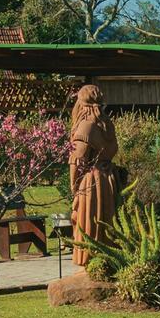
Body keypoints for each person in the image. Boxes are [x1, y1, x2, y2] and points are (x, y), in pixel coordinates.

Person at [68, 85, 118, 267]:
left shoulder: (86, 126)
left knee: (89, 220)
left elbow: (77, 159)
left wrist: (73, 186)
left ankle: (89, 260)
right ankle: (106, 261)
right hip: (108, 177)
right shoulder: (107, 125)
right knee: (105, 221)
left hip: (91, 181)